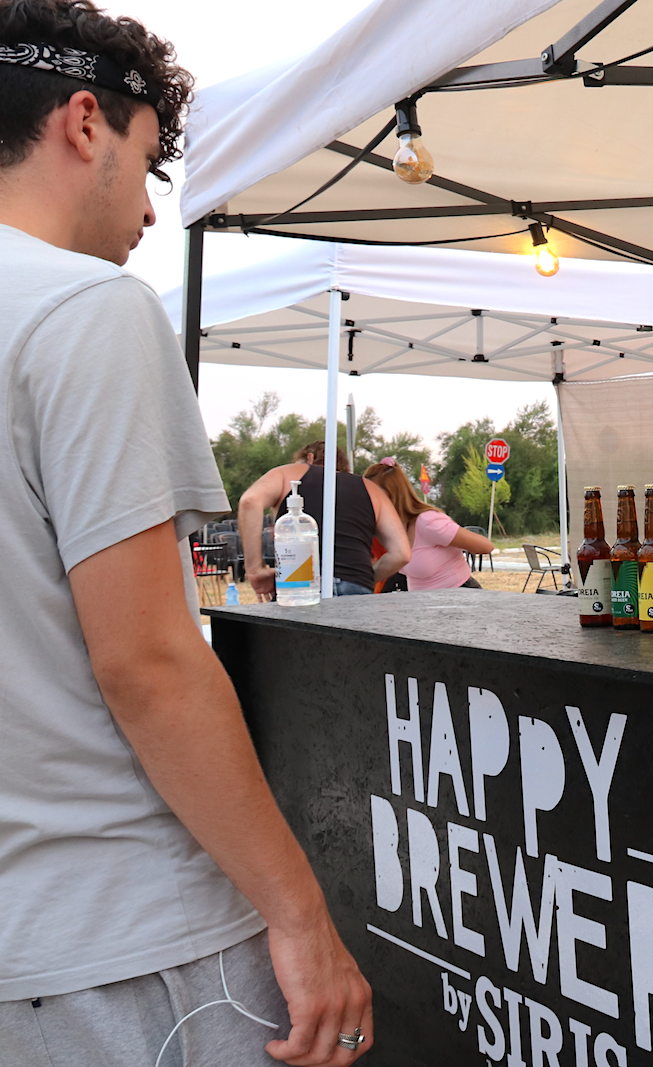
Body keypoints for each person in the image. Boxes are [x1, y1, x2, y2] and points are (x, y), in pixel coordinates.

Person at [0, 2, 371, 1064]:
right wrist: (300, 911)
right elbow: (150, 660)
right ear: (84, 122)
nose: (155, 214)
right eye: (151, 162)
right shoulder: (89, 309)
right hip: (123, 941)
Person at [240, 441, 410, 598]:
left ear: (310, 458)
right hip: (356, 590)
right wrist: (364, 579)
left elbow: (250, 501)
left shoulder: (289, 474)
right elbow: (401, 553)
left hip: (300, 585)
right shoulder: (372, 490)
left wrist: (255, 569)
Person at [364, 458, 494, 590]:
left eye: (373, 496)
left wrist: (451, 538)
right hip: (423, 603)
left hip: (459, 597)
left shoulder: (428, 522)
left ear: (393, 494)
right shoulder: (390, 527)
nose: (369, 502)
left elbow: (485, 546)